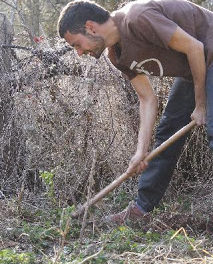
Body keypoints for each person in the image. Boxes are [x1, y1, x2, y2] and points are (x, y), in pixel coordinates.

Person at [57, 0, 213, 224]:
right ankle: (141, 209)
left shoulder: (137, 18)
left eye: (76, 44)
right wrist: (141, 151)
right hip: (196, 66)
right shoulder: (117, 56)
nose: (80, 53)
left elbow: (195, 47)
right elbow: (147, 99)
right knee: (167, 133)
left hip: (207, 52)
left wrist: (201, 105)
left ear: (90, 27)